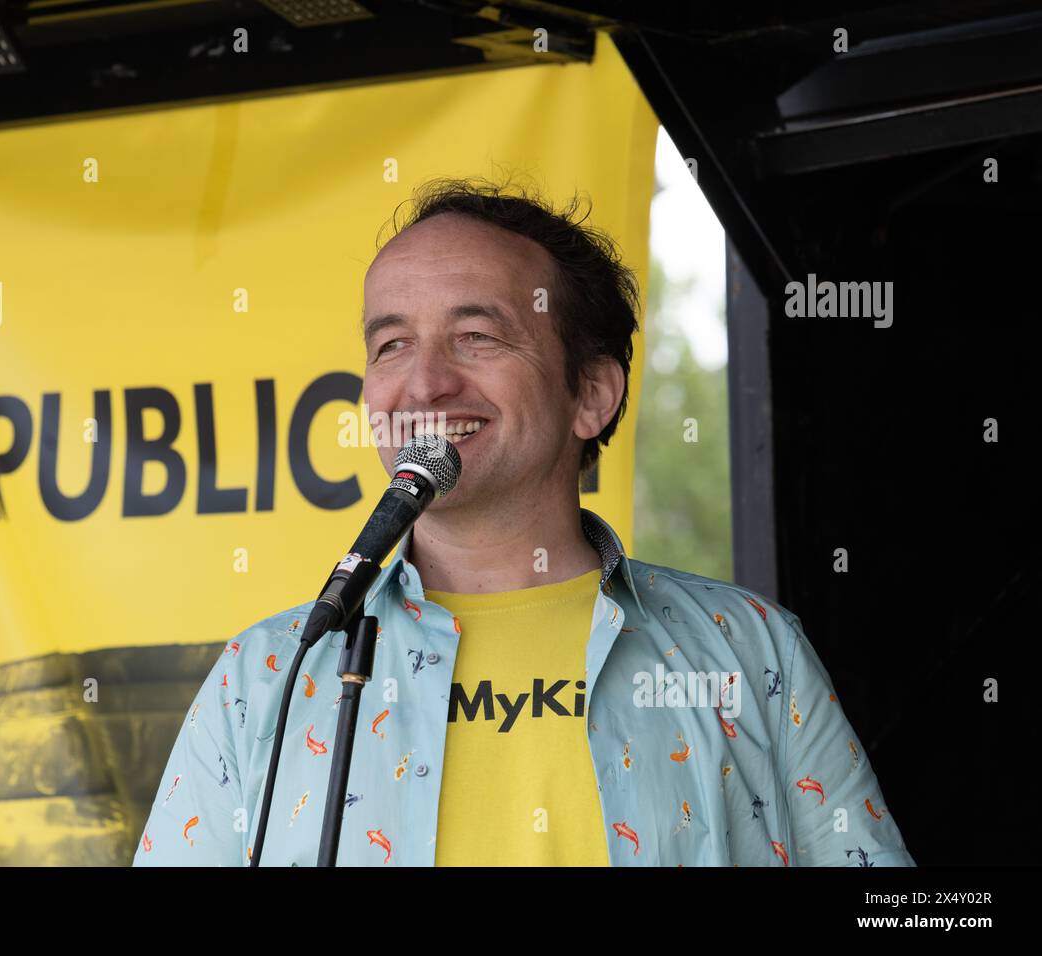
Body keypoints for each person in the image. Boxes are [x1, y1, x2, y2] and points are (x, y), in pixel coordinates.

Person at [133, 178, 914, 867]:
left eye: (477, 336)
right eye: (391, 344)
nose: (425, 383)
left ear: (591, 395)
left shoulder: (751, 649)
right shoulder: (264, 677)